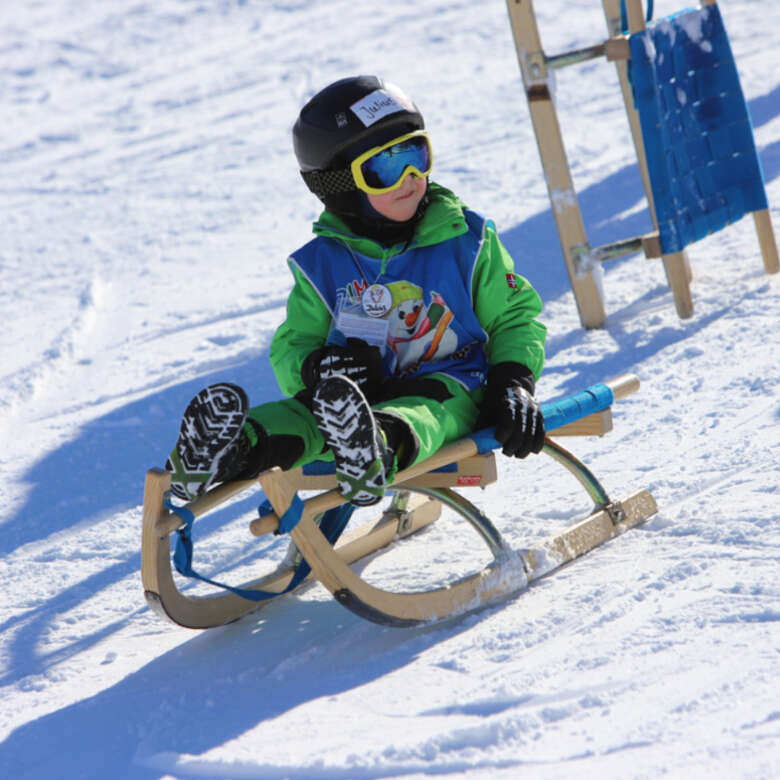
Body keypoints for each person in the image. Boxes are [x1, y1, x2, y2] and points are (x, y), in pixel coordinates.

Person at [165, 75, 547, 507]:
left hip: (452, 385)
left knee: (426, 412)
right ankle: (231, 447)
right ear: (341, 185)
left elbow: (515, 317)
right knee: (308, 414)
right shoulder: (321, 265)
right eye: (385, 168)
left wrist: (513, 382)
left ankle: (376, 446)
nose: (409, 178)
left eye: (416, 155)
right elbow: (293, 345)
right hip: (348, 396)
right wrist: (317, 367)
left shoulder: (468, 241)